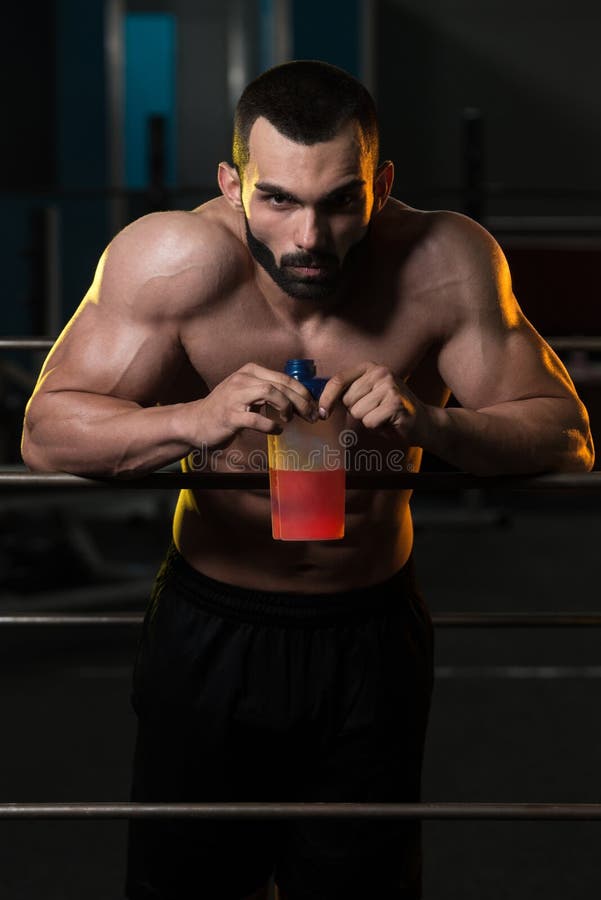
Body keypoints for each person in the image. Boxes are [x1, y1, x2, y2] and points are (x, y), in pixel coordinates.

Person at [22, 60, 593, 900]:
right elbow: (45, 434)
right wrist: (193, 419)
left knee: (361, 886)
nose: (309, 237)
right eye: (279, 199)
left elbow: (566, 435)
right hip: (212, 626)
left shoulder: (444, 261)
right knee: (188, 886)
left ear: (380, 184)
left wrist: (431, 426)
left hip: (370, 630)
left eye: (339, 201)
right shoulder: (170, 259)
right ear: (232, 184)